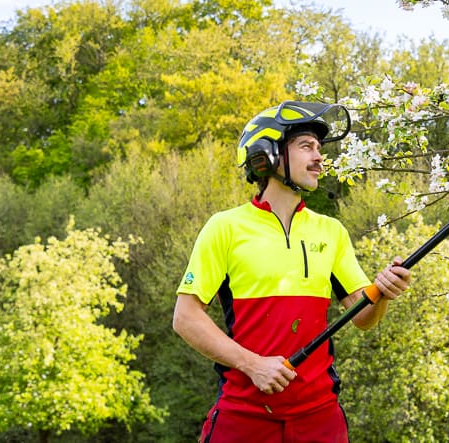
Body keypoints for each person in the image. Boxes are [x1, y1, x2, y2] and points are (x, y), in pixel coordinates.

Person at [173, 100, 411, 443]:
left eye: (319, 148)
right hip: (244, 416)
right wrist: (253, 365)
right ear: (266, 155)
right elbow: (185, 318)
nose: (318, 157)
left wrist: (383, 292)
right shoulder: (225, 227)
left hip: (320, 417)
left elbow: (363, 317)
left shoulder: (331, 231)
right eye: (306, 146)